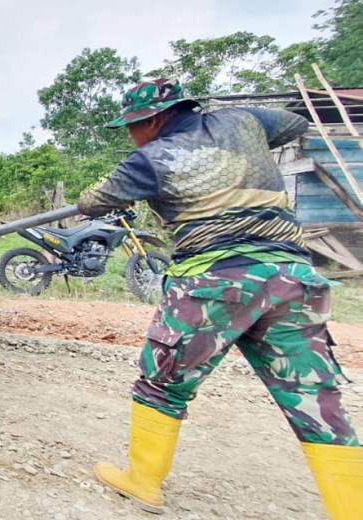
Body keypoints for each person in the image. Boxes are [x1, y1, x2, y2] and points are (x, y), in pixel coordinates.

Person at [77, 78, 360, 518]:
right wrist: (239, 131)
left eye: (130, 126)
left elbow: (92, 202)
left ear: (151, 121)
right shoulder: (244, 120)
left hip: (217, 281)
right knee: (313, 393)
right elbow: (291, 123)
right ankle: (351, 509)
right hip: (291, 277)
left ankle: (143, 481)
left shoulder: (149, 159)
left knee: (164, 381)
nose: (129, 136)